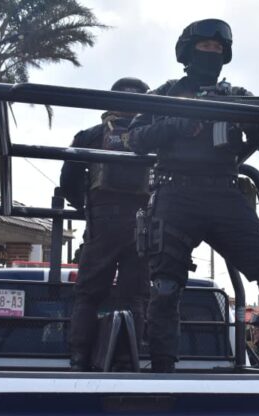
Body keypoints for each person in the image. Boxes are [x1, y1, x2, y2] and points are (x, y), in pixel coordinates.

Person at [128, 18, 259, 373]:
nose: (211, 54)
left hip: (223, 193)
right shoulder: (163, 95)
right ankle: (162, 365)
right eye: (205, 48)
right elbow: (133, 139)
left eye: (218, 50)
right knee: (164, 286)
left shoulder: (235, 96)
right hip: (174, 192)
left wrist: (254, 120)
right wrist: (176, 123)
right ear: (187, 53)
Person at [61, 77, 152, 371]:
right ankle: (129, 361)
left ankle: (78, 360)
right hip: (144, 224)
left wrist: (88, 207)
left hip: (102, 222)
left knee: (88, 293)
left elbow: (68, 183)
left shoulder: (90, 136)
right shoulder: (154, 138)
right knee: (135, 295)